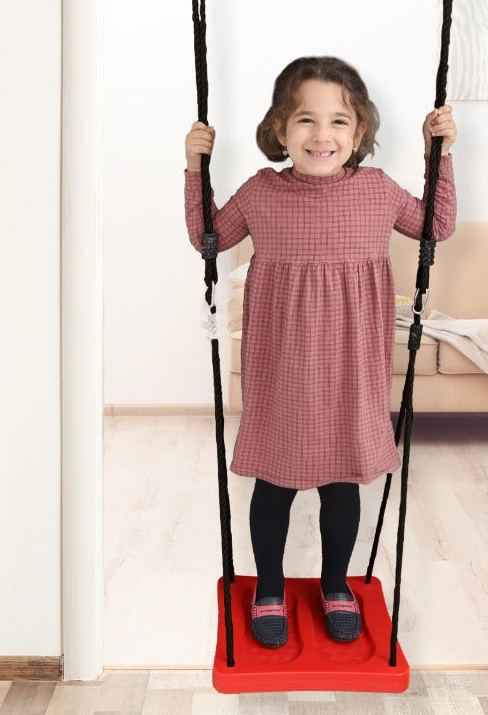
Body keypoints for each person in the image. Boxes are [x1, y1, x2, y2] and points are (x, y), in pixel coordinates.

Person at [184, 56, 457, 649]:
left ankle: (336, 583)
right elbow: (208, 236)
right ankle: (270, 589)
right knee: (275, 483)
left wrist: (441, 155)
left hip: (351, 364)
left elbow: (436, 227)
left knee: (341, 482)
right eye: (305, 120)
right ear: (280, 130)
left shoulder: (378, 192)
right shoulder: (262, 193)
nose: (321, 135)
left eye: (338, 121)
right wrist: (195, 164)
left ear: (359, 134)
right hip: (282, 363)